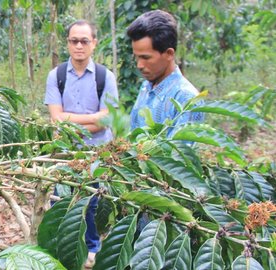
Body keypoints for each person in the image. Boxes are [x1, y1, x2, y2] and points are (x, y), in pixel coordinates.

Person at [44, 20, 119, 268]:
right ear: (67, 43)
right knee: (62, 200)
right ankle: (61, 248)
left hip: (97, 152)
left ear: (94, 43)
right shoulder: (55, 75)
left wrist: (71, 120)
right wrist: (92, 118)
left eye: (84, 41)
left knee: (93, 201)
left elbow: (105, 121)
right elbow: (56, 120)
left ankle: (92, 249)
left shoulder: (105, 77)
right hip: (65, 153)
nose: (79, 45)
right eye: (74, 40)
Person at [127, 10, 204, 135]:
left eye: (146, 58)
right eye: (136, 57)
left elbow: (180, 152)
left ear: (169, 54)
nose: (139, 65)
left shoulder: (187, 99)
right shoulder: (146, 86)